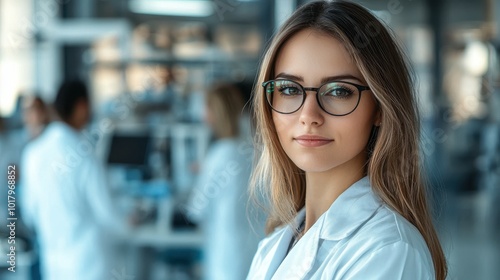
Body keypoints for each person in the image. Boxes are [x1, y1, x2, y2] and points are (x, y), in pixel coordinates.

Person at [246, 1, 447, 280]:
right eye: (289, 89)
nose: (309, 115)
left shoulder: (387, 251)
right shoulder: (277, 242)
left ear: (379, 108)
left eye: (339, 91)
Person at [20, 80, 128, 280]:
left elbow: (29, 213)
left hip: (54, 266)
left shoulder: (32, 153)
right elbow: (108, 214)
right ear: (81, 107)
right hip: (89, 266)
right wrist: (130, 221)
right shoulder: (83, 153)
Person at [186, 83, 265, 280]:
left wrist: (202, 175)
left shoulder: (221, 153)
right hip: (257, 244)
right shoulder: (256, 149)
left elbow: (196, 209)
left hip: (227, 252)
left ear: (214, 112)